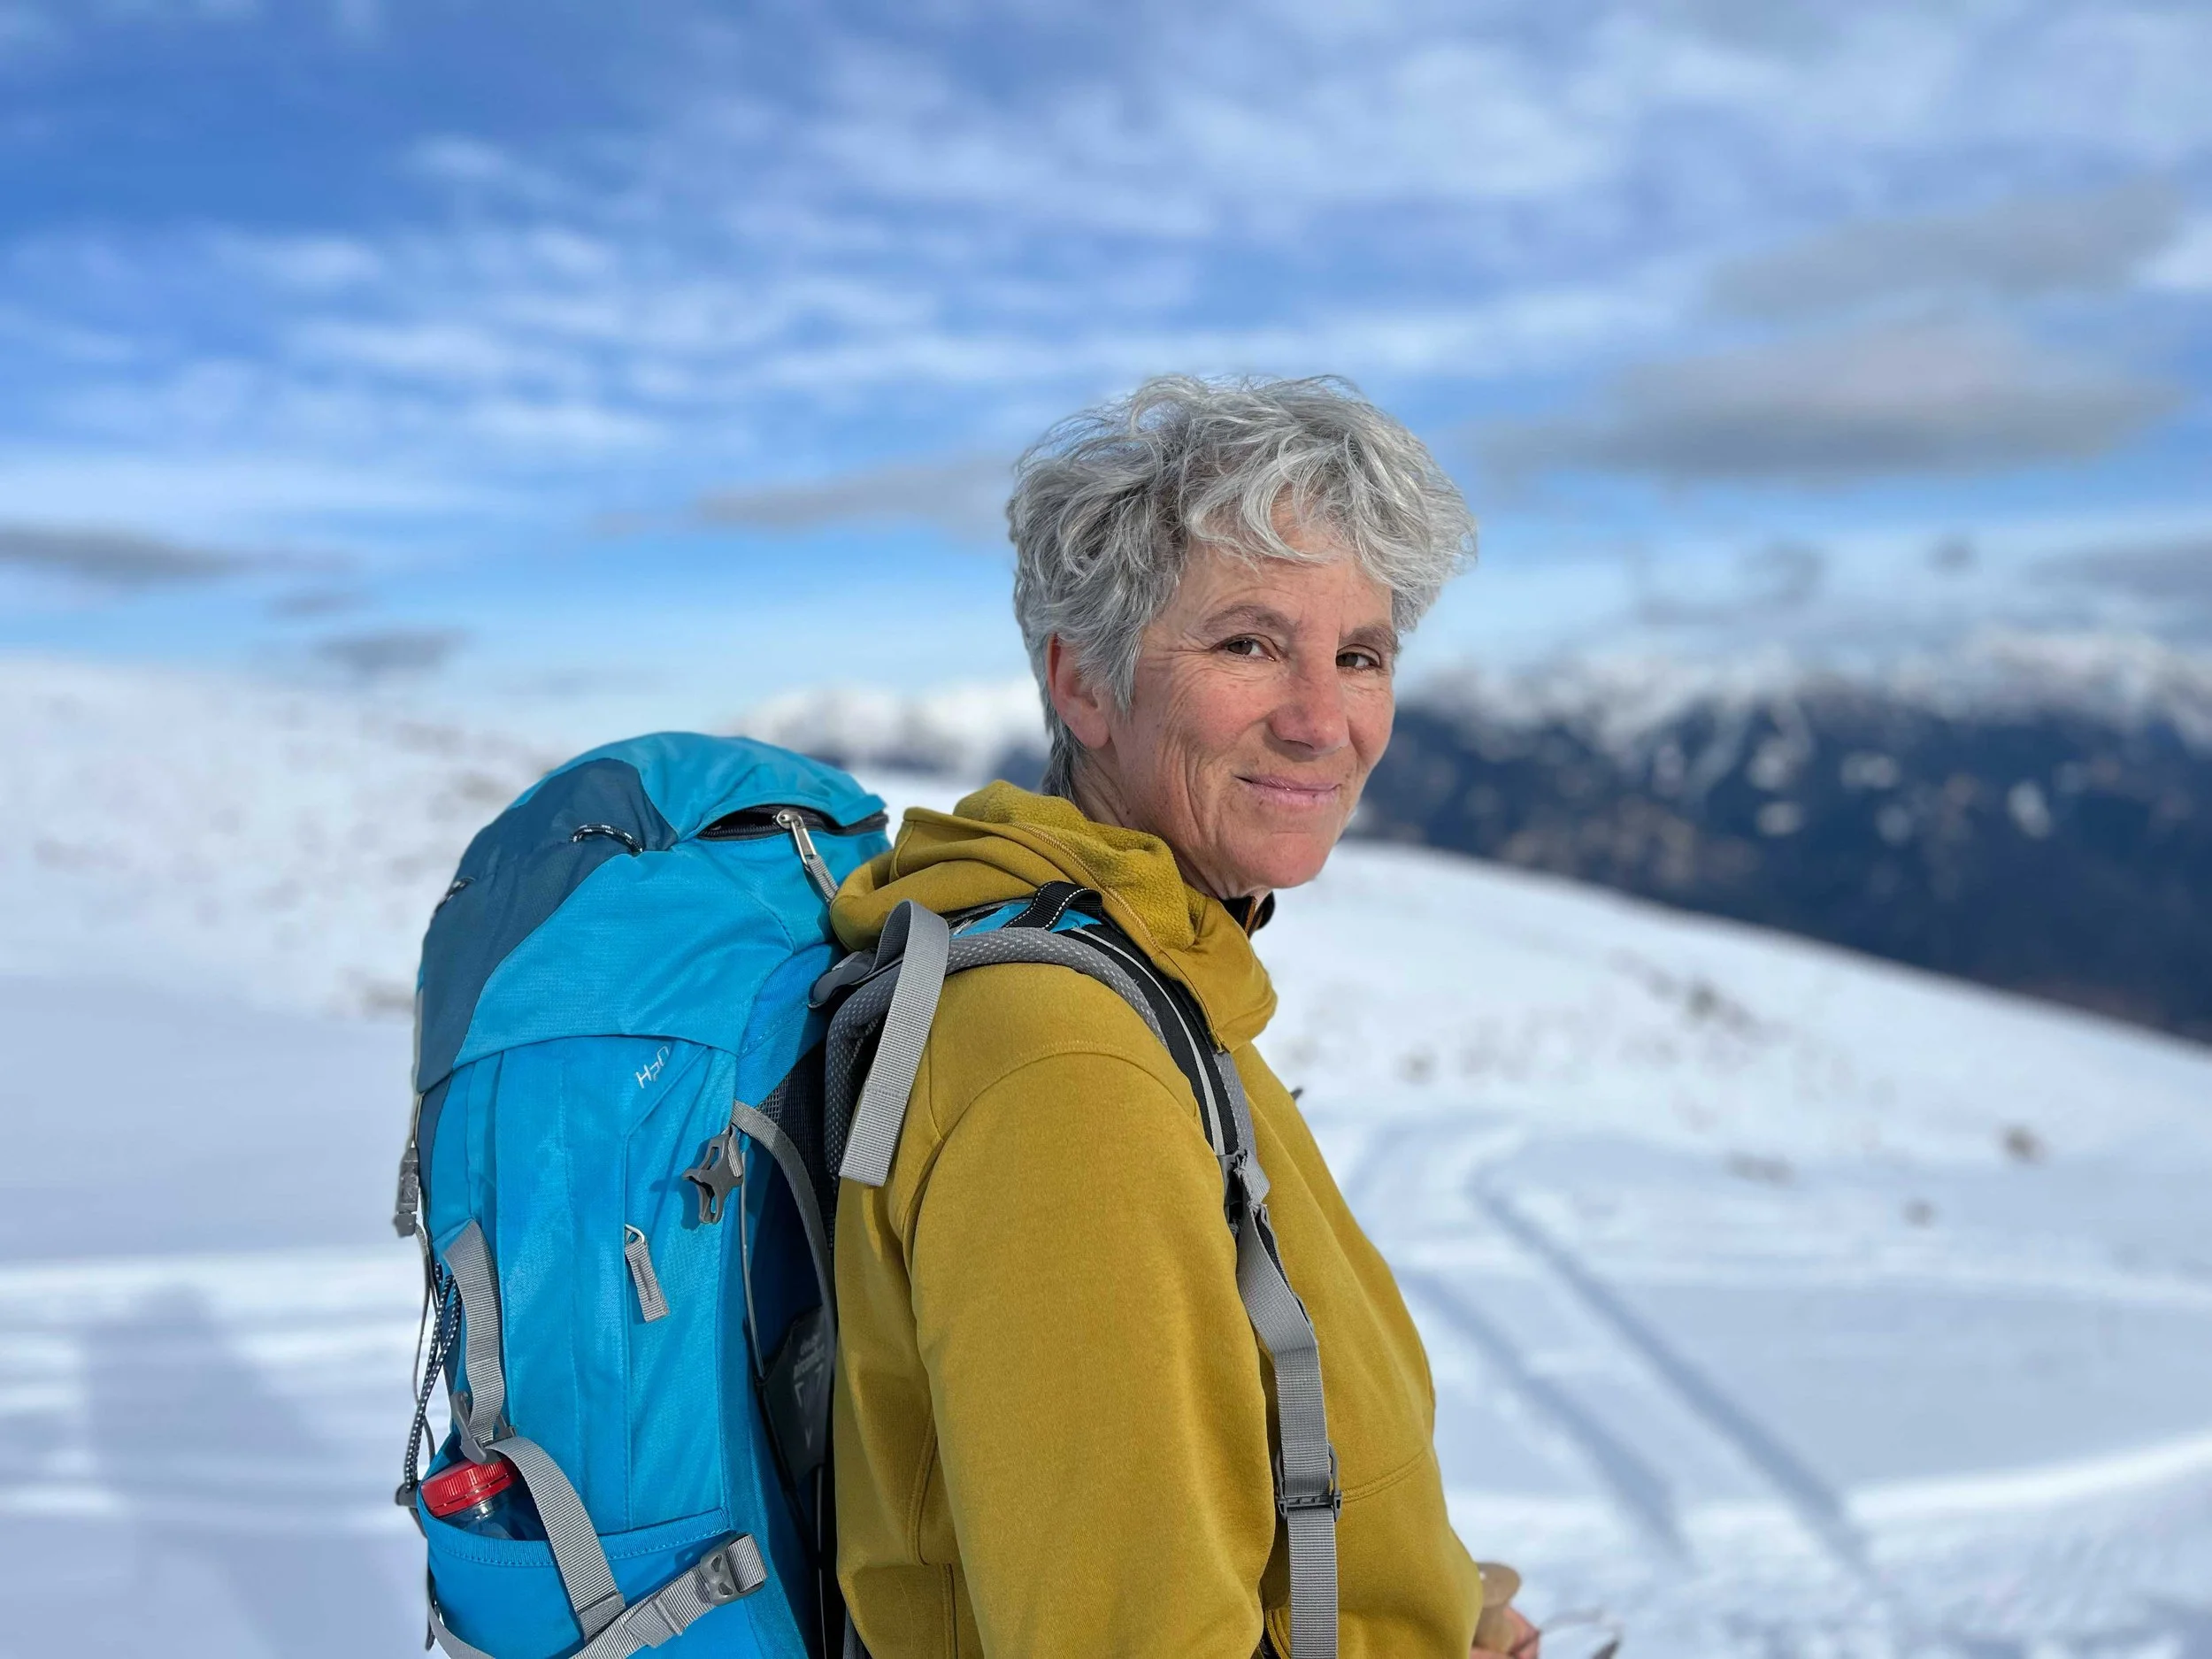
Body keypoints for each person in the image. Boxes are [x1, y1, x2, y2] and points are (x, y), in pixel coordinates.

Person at [828, 374, 1538, 1659]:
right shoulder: (1061, 1065)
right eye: (1248, 644)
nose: (1322, 721)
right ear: (1084, 684)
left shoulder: (1163, 971)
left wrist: (1447, 1612)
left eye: (1360, 656)